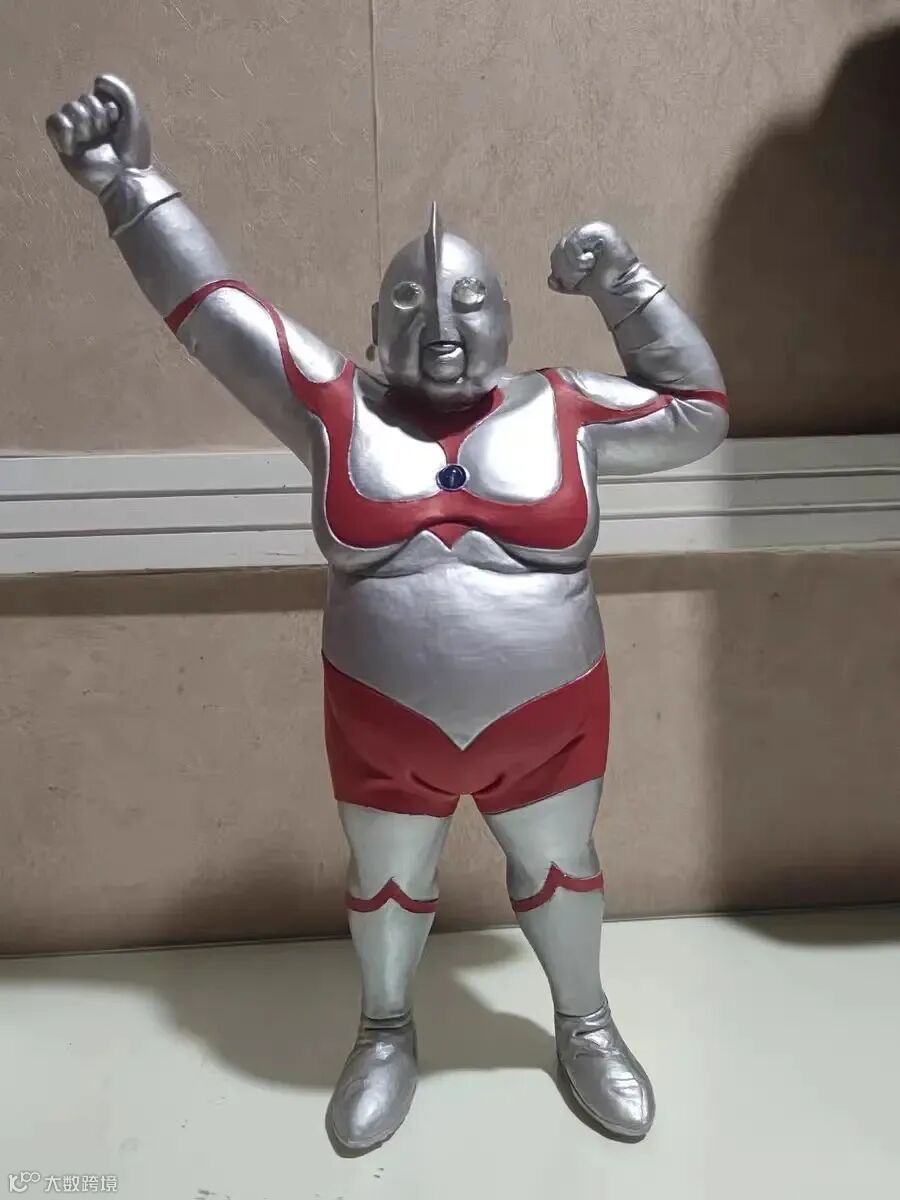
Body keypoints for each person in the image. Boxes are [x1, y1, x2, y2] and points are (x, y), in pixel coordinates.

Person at [47, 74, 728, 1152]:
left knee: (561, 871)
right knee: (386, 884)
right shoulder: (332, 405)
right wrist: (131, 187)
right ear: (372, 327)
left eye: (469, 302)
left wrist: (624, 284)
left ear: (509, 316)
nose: (442, 327)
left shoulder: (569, 408)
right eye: (408, 304)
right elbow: (217, 312)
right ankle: (384, 1029)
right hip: (384, 731)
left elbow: (699, 411)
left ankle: (584, 1022)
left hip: (549, 722)